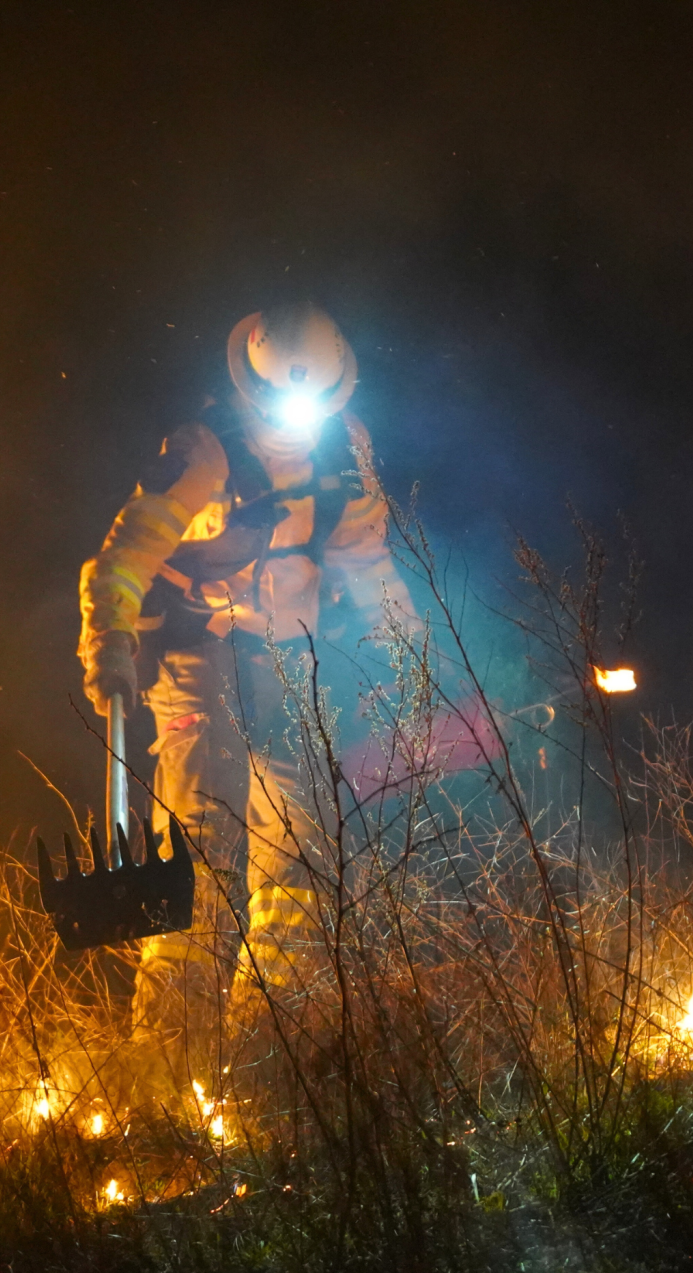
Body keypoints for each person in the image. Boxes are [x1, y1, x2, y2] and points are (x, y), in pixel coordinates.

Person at [76, 302, 417, 1067]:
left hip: (291, 666)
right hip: (200, 663)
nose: (298, 424)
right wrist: (110, 643)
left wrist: (412, 656)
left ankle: (271, 1066)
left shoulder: (347, 448)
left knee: (300, 863)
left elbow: (368, 558)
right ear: (251, 391)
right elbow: (124, 558)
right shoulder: (204, 451)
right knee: (196, 861)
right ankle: (164, 1078)